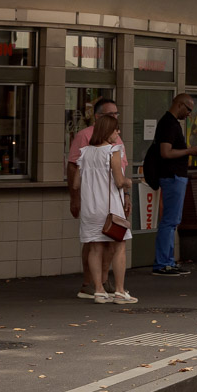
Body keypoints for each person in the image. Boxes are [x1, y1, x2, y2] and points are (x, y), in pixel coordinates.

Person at [68, 97, 123, 300]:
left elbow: (120, 167)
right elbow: (73, 167)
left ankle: (102, 282)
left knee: (104, 243)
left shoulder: (115, 139)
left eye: (117, 114)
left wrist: (126, 197)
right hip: (100, 201)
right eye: (111, 115)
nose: (115, 119)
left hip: (111, 201)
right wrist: (74, 199)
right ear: (98, 117)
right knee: (96, 243)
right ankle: (90, 282)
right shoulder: (85, 138)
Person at [77, 113, 135, 304]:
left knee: (95, 247)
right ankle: (119, 291)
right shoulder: (113, 151)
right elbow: (119, 181)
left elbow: (76, 183)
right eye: (116, 129)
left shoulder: (84, 152)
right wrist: (129, 182)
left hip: (89, 208)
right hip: (110, 208)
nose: (118, 132)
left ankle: (99, 291)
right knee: (119, 247)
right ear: (107, 131)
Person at [152, 94, 197, 276]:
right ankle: (163, 262)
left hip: (175, 176)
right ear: (180, 105)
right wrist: (189, 150)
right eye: (188, 109)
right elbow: (165, 152)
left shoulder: (171, 123)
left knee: (173, 221)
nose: (189, 114)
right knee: (170, 220)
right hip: (172, 176)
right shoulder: (169, 123)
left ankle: (168, 261)